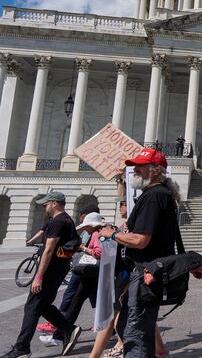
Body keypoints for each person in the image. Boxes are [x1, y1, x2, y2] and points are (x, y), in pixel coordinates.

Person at [99, 147, 178, 358]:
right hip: (149, 271)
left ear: (155, 170)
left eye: (140, 167)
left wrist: (112, 234)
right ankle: (161, 352)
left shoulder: (153, 197)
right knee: (139, 324)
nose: (135, 170)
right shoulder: (161, 195)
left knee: (135, 333)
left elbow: (141, 241)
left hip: (146, 272)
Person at [1, 192, 83, 358]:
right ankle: (68, 329)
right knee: (43, 305)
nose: (44, 207)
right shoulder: (66, 220)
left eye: (45, 205)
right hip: (58, 270)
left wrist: (38, 276)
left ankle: (22, 348)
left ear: (54, 203)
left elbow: (49, 250)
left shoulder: (58, 222)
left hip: (50, 272)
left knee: (32, 307)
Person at [40, 212, 107, 349]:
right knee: (89, 302)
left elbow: (99, 253)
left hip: (92, 273)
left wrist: (83, 248)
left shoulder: (96, 234)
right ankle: (62, 333)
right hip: (95, 274)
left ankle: (60, 334)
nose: (85, 229)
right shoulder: (100, 233)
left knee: (76, 302)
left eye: (87, 226)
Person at [90, 198, 130, 358]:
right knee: (120, 310)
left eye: (123, 203)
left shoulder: (130, 225)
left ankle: (98, 353)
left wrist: (115, 234)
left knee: (113, 311)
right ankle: (161, 350)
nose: (120, 207)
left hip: (126, 273)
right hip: (120, 272)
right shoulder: (123, 225)